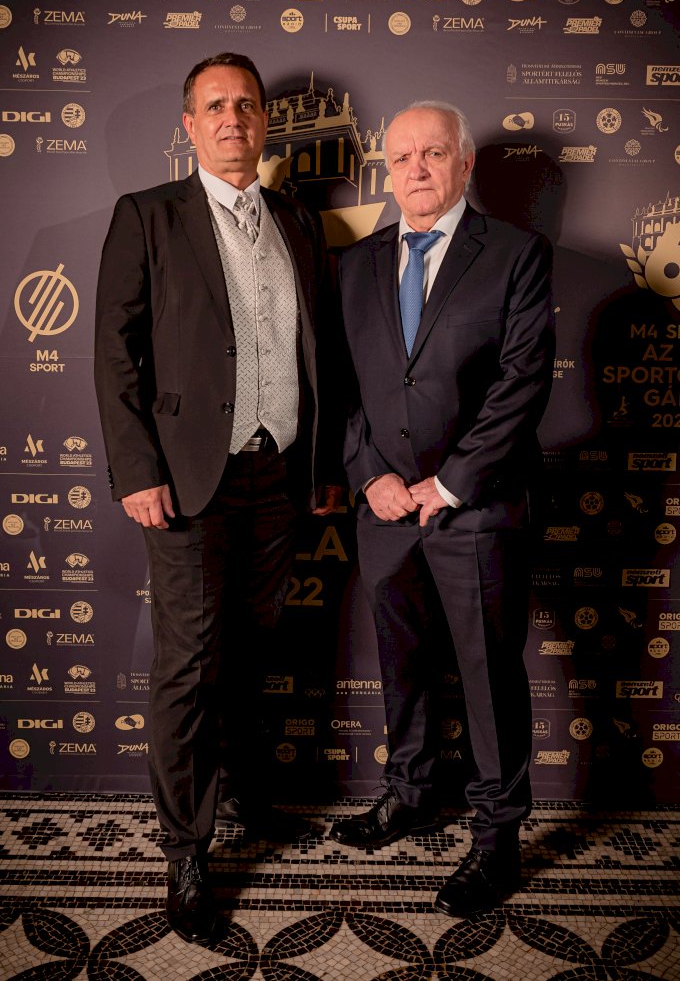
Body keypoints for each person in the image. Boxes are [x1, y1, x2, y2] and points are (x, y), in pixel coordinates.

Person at [94, 52, 340, 945]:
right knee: (190, 664)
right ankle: (186, 849)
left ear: (264, 121)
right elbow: (115, 353)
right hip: (189, 480)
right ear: (189, 125)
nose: (233, 118)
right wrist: (136, 470)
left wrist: (323, 465)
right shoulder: (148, 215)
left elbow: (320, 351)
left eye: (246, 104)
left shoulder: (297, 219)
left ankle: (242, 794)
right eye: (215, 106)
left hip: (279, 476)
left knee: (252, 645)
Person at [331, 101, 554, 916]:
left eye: (433, 153)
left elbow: (522, 383)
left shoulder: (516, 254)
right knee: (403, 667)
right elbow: (343, 388)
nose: (416, 169)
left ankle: (496, 840)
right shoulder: (355, 265)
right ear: (386, 171)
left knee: (489, 678)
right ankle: (411, 791)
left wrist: (450, 482)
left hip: (476, 510)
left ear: (465, 164)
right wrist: (369, 477)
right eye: (402, 158)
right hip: (385, 514)